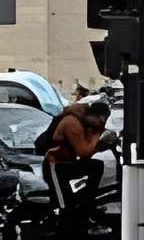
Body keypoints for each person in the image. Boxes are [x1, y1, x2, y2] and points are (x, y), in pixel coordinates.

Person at [41, 96, 111, 236]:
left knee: (96, 166)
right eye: (101, 121)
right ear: (93, 116)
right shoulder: (72, 123)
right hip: (55, 164)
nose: (102, 125)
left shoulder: (86, 123)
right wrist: (98, 136)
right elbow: (83, 151)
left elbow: (87, 154)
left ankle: (85, 205)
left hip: (68, 163)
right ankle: (57, 227)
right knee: (63, 202)